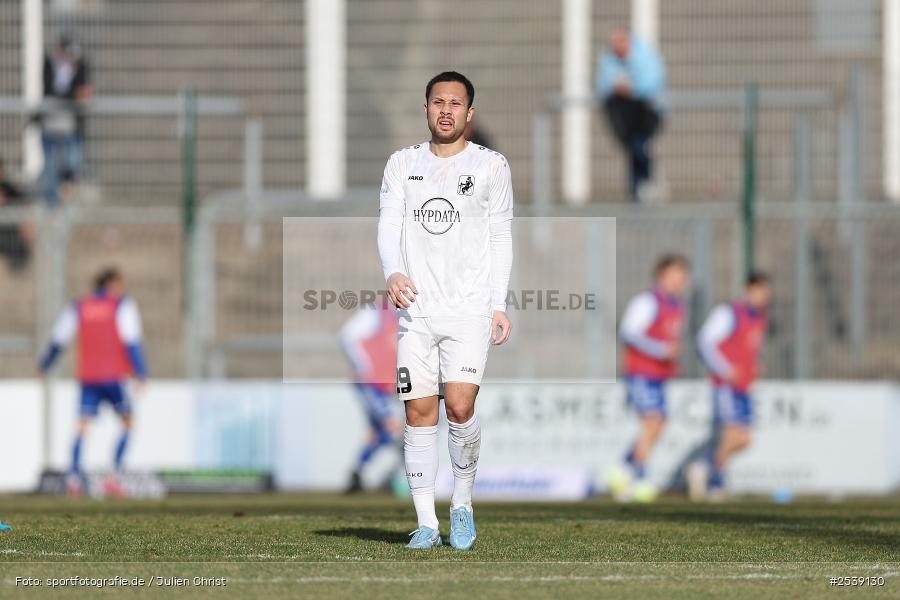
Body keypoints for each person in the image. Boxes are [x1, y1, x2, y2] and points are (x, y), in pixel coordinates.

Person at [378, 71, 513, 550]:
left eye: (456, 103)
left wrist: (498, 304)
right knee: (418, 411)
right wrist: (393, 272)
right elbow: (388, 224)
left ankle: (461, 505)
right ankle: (426, 522)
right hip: (418, 312)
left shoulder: (492, 166)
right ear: (426, 108)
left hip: (470, 310)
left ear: (469, 113)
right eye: (438, 101)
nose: (446, 110)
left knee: (459, 405)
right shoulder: (402, 164)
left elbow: (501, 237)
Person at [38, 267, 147, 497]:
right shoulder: (121, 305)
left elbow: (60, 338)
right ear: (111, 285)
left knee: (82, 426)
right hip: (114, 376)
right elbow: (131, 341)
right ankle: (114, 475)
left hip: (88, 377)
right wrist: (141, 373)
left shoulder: (79, 306)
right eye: (119, 285)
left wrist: (46, 363)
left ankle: (74, 478)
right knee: (127, 422)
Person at [610, 254, 690, 502]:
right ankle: (639, 478)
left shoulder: (677, 305)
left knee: (658, 425)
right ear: (662, 275)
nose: (680, 280)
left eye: (683, 275)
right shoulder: (647, 301)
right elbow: (629, 333)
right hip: (641, 372)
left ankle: (623, 470)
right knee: (653, 422)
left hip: (659, 375)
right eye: (675, 274)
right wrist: (661, 350)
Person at [689, 272, 771, 501]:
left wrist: (756, 364)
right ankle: (715, 483)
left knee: (744, 439)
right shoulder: (729, 313)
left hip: (745, 386)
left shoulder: (759, 318)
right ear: (748, 290)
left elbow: (748, 349)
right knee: (731, 433)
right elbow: (705, 341)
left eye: (766, 292)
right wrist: (725, 369)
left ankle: (704, 467)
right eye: (760, 291)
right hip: (725, 385)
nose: (764, 296)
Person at [596, 28, 666, 203]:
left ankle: (643, 185)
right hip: (625, 116)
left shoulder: (645, 57)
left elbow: (653, 83)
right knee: (635, 150)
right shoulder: (608, 61)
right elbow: (603, 85)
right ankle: (639, 190)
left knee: (639, 148)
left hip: (645, 113)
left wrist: (632, 89)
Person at [339, 300, 403, 492]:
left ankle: (358, 474)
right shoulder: (378, 312)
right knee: (393, 428)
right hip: (371, 385)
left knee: (380, 432)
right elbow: (347, 336)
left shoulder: (403, 316)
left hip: (386, 387)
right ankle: (397, 478)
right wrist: (363, 366)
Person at [40, 34, 93, 208]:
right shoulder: (50, 65)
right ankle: (52, 203)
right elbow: (49, 91)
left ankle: (67, 194)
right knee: (51, 164)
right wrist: (71, 96)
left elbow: (84, 92)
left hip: (71, 125)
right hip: (51, 123)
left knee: (72, 162)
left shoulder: (80, 67)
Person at [0, 158, 34, 272]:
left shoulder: (9, 188)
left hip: (10, 236)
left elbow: (26, 204)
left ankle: (17, 267)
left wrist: (27, 225)